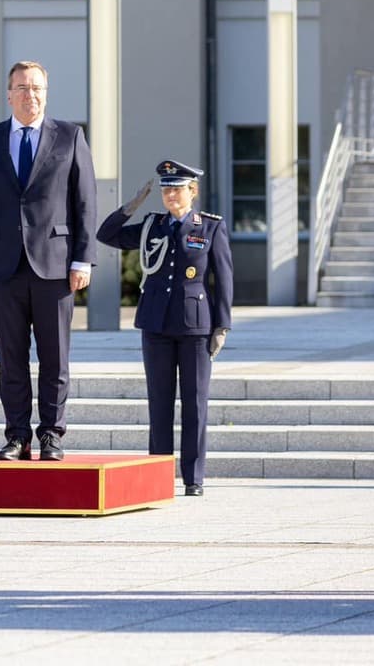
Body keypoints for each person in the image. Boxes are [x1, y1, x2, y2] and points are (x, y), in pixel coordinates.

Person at [0, 61, 96, 461]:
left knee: (55, 357)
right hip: (4, 266)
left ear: (47, 92)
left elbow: (85, 201)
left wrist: (83, 260)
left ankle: (51, 434)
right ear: (9, 94)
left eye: (37, 87)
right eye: (21, 87)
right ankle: (17, 435)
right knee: (11, 357)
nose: (30, 95)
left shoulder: (70, 137)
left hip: (55, 266)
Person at [95, 160, 231, 497]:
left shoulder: (209, 227)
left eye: (178, 188)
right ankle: (158, 474)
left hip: (195, 325)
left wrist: (221, 326)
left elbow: (224, 279)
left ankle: (193, 477)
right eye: (166, 189)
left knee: (195, 401)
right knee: (159, 401)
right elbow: (106, 235)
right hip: (155, 323)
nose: (171, 195)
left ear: (192, 191)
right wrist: (131, 206)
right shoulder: (151, 226)